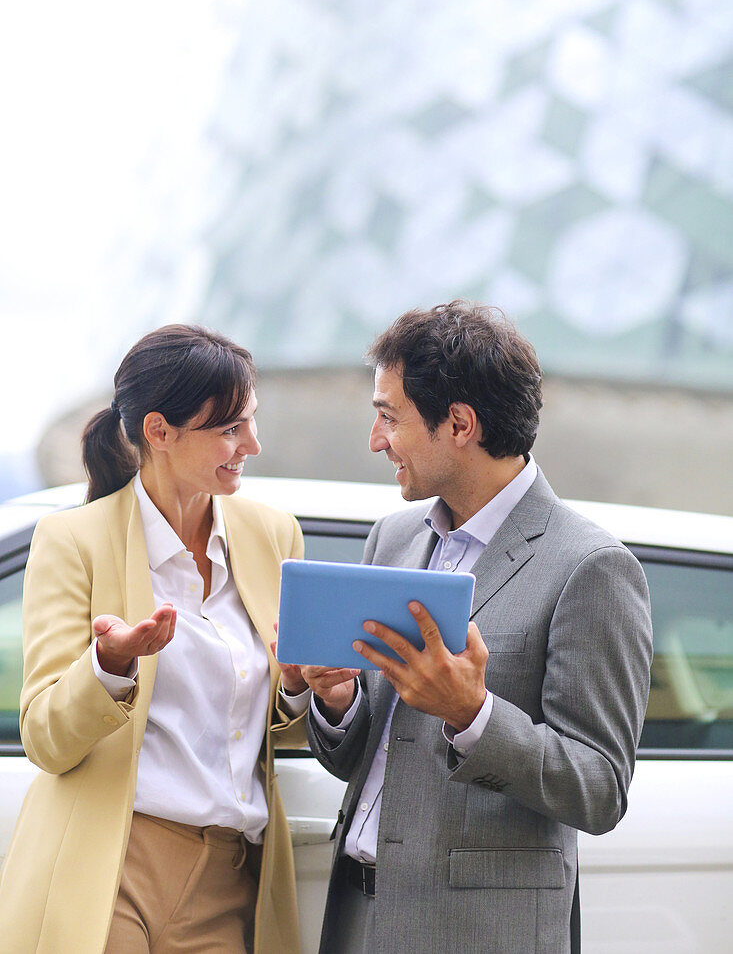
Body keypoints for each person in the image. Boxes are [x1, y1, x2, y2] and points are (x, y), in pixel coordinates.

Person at [301, 301, 653, 954]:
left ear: (458, 424)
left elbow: (598, 789)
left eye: (387, 417)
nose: (375, 441)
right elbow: (362, 758)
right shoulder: (393, 537)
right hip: (355, 916)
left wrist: (472, 713)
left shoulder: (590, 567)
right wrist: (338, 698)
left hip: (478, 934)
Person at [0, 324, 312, 954]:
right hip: (111, 869)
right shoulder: (74, 542)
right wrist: (108, 667)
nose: (252, 444)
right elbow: (44, 736)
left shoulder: (275, 536)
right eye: (229, 428)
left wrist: (301, 687)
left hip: (229, 880)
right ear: (159, 432)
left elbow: (270, 730)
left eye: (250, 421)